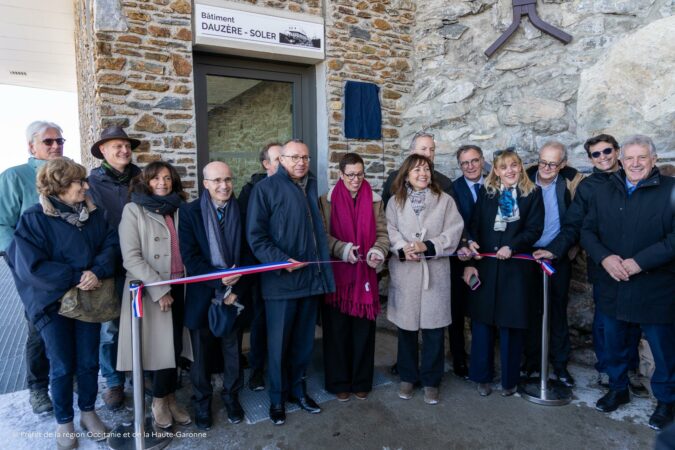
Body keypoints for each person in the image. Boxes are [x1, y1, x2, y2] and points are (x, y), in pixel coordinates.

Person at [7, 157, 117, 449]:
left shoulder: (93, 215)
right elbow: (31, 267)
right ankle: (64, 420)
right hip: (52, 303)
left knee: (89, 360)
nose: (86, 187)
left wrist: (97, 271)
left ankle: (88, 412)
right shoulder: (34, 218)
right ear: (60, 185)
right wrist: (76, 276)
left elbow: (110, 245)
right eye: (79, 182)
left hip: (88, 299)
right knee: (62, 364)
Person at [533, 134, 648, 397]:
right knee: (605, 321)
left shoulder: (635, 178)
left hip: (639, 264)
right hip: (604, 263)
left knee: (634, 321)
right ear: (590, 158)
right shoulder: (588, 187)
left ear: (617, 152)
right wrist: (555, 250)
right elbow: (576, 225)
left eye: (607, 151)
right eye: (596, 154)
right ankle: (608, 371)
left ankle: (630, 370)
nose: (603, 157)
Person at [580, 135, 674, 431]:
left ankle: (667, 401)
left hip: (656, 285)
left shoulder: (671, 190)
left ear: (654, 159)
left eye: (642, 157)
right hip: (614, 281)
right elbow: (587, 231)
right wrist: (605, 258)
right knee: (614, 343)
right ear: (621, 161)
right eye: (629, 158)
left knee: (663, 350)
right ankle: (618, 388)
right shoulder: (604, 191)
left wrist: (639, 262)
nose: (635, 163)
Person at [246, 139, 335, 425]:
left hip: (310, 281)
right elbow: (256, 237)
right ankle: (277, 400)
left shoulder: (310, 188)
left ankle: (299, 392)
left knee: (303, 345)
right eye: (294, 157)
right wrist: (282, 261)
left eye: (305, 157)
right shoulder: (265, 189)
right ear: (281, 160)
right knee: (278, 347)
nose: (301, 162)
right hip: (281, 284)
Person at [460, 148, 544, 397]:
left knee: (511, 325)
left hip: (515, 269)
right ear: (495, 170)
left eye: (514, 165)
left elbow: (534, 228)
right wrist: (471, 242)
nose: (510, 171)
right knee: (482, 323)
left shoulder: (532, 193)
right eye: (504, 167)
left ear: (520, 167)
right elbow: (474, 224)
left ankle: (509, 380)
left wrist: (513, 246)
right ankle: (481, 377)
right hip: (486, 267)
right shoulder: (487, 193)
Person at [117, 161, 192, 429]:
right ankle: (159, 401)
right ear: (146, 182)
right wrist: (160, 290)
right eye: (156, 178)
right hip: (152, 291)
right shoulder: (133, 210)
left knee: (175, 347)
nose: (163, 183)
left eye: (168, 178)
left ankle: (170, 398)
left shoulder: (179, 208)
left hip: (182, 285)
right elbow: (131, 258)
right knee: (159, 350)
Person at [179, 161, 252, 429]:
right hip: (203, 295)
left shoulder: (242, 210)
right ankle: (202, 402)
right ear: (206, 184)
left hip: (235, 295)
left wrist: (235, 288)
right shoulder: (189, 212)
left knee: (232, 351)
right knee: (201, 356)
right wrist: (219, 281)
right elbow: (190, 257)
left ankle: (231, 397)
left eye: (228, 179)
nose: (224, 185)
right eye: (217, 180)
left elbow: (249, 253)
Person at [386, 154, 463, 405]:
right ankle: (408, 376)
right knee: (406, 328)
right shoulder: (395, 201)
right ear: (406, 175)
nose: (423, 174)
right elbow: (389, 230)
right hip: (406, 272)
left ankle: (431, 380)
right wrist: (403, 248)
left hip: (435, 272)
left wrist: (428, 245)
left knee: (434, 330)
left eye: (426, 169)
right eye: (417, 170)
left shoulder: (445, 200)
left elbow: (454, 230)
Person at [0, 120, 65, 415]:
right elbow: (2, 223)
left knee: (72, 319)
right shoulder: (14, 176)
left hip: (66, 266)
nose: (55, 146)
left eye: (59, 140)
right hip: (33, 268)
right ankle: (38, 387)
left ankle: (69, 376)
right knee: (39, 324)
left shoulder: (68, 174)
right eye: (48, 141)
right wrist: (19, 259)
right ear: (32, 146)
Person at [318, 153, 389, 401]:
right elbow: (321, 236)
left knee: (363, 332)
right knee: (336, 333)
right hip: (336, 279)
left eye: (360, 174)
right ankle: (339, 382)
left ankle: (361, 381)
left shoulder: (376, 201)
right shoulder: (325, 201)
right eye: (350, 175)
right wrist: (343, 249)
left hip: (365, 277)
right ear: (340, 174)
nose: (355, 180)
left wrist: (378, 251)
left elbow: (383, 234)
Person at [87, 126, 141, 410]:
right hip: (109, 264)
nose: (124, 150)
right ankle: (113, 382)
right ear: (103, 150)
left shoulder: (141, 178)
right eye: (117, 146)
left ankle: (141, 373)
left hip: (140, 262)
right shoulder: (91, 183)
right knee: (110, 327)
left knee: (141, 320)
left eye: (126, 146)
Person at [523, 141, 583, 386]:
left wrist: (554, 251)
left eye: (553, 164)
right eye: (543, 162)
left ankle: (560, 365)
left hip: (557, 255)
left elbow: (574, 224)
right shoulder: (524, 178)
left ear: (563, 164)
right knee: (530, 309)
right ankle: (532, 362)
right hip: (527, 255)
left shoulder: (571, 183)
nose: (546, 168)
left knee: (557, 310)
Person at [237, 142, 282, 392]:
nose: (284, 163)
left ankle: (282, 368)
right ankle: (256, 370)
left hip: (287, 266)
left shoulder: (297, 186)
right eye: (277, 159)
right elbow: (249, 233)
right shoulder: (251, 191)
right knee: (260, 320)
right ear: (266, 164)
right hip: (260, 267)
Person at [449, 144, 487, 379]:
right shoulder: (453, 189)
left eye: (474, 161)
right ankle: (459, 358)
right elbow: (453, 223)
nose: (470, 166)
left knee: (482, 312)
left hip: (488, 258)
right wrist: (465, 245)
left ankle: (481, 359)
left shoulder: (494, 185)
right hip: (460, 258)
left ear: (482, 160)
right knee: (456, 312)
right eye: (465, 163)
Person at [382, 131, 453, 207]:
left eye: (432, 150)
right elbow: (385, 209)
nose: (429, 154)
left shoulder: (445, 182)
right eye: (423, 149)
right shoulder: (394, 178)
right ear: (412, 152)